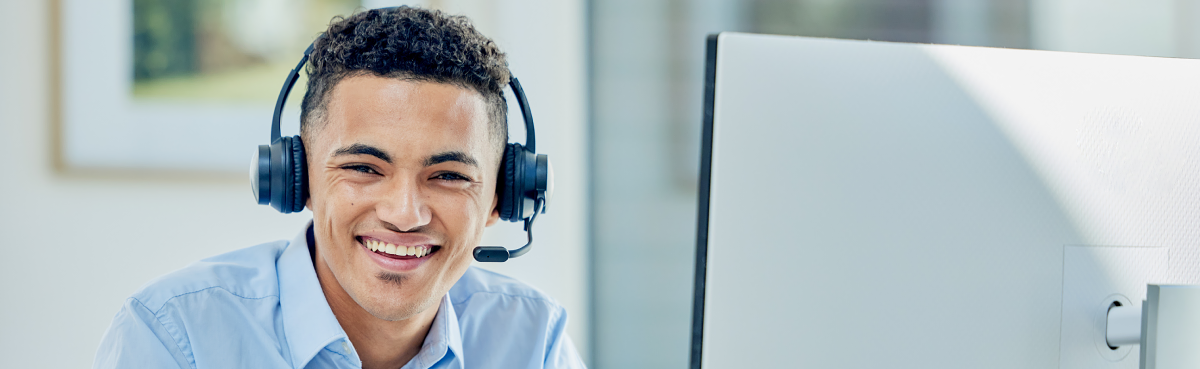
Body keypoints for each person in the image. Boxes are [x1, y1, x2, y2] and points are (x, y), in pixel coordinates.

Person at [93, 6, 584, 369]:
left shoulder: (534, 341)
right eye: (364, 168)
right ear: (297, 178)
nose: (404, 213)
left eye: (449, 176)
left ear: (503, 196)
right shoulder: (175, 336)